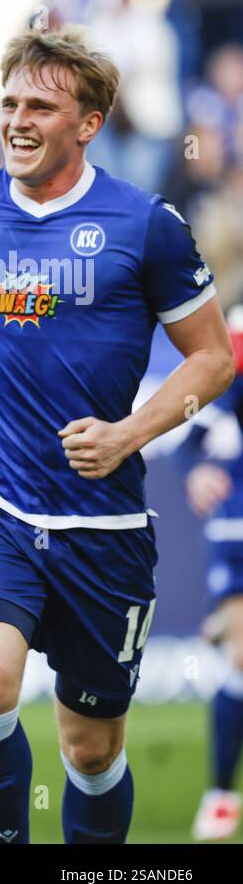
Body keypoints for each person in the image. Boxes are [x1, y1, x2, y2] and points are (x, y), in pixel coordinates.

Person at [0, 25, 233, 844]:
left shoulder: (145, 224)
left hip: (102, 525)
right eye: (9, 103)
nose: (17, 121)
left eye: (40, 107)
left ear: (88, 123)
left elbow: (214, 359)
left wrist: (128, 435)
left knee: (91, 750)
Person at [176, 320, 243, 841]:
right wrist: (195, 471)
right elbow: (189, 440)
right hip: (237, 528)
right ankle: (220, 795)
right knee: (242, 659)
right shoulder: (235, 366)